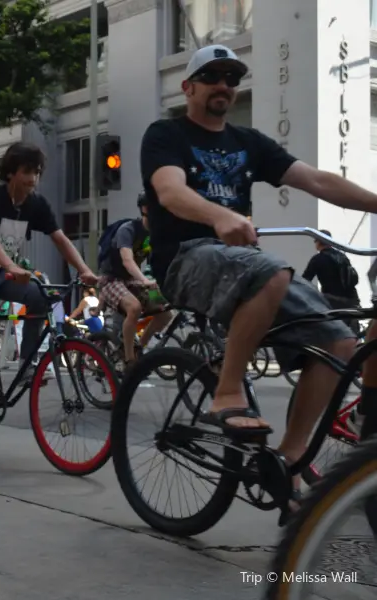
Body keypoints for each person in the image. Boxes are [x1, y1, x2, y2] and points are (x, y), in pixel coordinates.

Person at [140, 44, 377, 513]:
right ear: (188, 88)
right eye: (211, 76)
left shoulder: (250, 143)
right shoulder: (165, 134)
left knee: (339, 341)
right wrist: (218, 216)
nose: (223, 85)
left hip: (240, 263)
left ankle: (285, 463)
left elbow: (320, 181)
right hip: (184, 260)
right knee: (270, 269)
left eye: (231, 77)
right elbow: (169, 192)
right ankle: (227, 390)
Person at [0, 141, 98, 428]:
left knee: (41, 298)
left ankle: (28, 364)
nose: (33, 178)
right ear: (10, 173)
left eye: (37, 172)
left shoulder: (36, 204)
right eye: (27, 171)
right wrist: (11, 266)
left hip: (0, 277)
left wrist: (84, 270)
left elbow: (60, 239)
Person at [96, 192, 171, 365]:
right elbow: (127, 260)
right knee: (134, 307)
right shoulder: (128, 230)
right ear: (145, 209)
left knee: (166, 313)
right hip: (110, 280)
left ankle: (139, 348)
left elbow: (164, 260)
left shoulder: (155, 234)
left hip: (131, 280)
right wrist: (144, 281)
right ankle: (129, 360)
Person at [301, 229, 361, 336]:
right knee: (353, 334)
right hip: (352, 301)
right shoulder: (342, 256)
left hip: (332, 302)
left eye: (315, 241)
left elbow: (305, 280)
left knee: (331, 333)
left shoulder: (318, 259)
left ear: (319, 242)